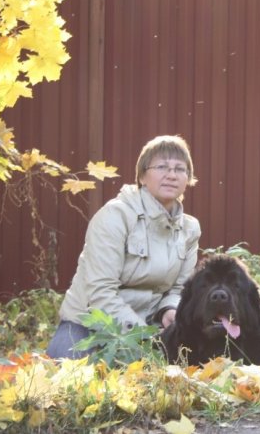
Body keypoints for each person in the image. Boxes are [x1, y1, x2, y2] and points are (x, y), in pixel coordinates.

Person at [46, 135, 201, 359]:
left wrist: (170, 309)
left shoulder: (189, 229)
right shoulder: (115, 217)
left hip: (150, 328)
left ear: (188, 178)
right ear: (142, 176)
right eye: (162, 167)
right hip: (88, 326)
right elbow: (100, 292)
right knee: (72, 382)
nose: (171, 175)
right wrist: (142, 337)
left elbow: (178, 290)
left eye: (180, 168)